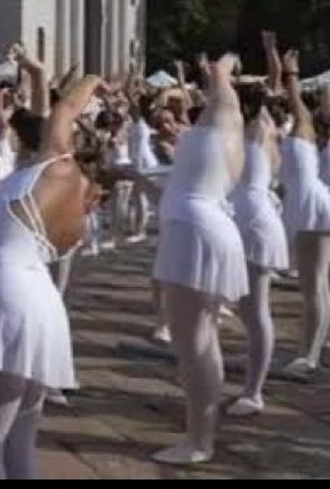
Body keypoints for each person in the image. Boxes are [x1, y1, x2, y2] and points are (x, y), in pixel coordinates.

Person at [0, 75, 106, 479]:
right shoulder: (68, 197)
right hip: (39, 304)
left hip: (5, 307)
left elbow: (63, 109)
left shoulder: (55, 170)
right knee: (18, 448)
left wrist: (92, 80)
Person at [149, 54, 247, 465]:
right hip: (199, 228)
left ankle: (199, 440)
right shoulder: (221, 126)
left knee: (195, 345)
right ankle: (199, 435)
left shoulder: (224, 113)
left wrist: (223, 65)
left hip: (194, 234)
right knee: (200, 343)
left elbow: (223, 74)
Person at [226, 82, 288, 416]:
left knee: (257, 309)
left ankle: (254, 392)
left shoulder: (256, 127)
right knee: (249, 311)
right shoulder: (262, 127)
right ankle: (253, 370)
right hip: (249, 214)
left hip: (252, 220)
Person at [278, 49, 330, 376]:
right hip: (312, 204)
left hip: (315, 206)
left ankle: (309, 356)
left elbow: (297, 103)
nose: (323, 101)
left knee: (314, 286)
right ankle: (313, 349)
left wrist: (291, 75)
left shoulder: (307, 125)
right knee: (319, 286)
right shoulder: (317, 134)